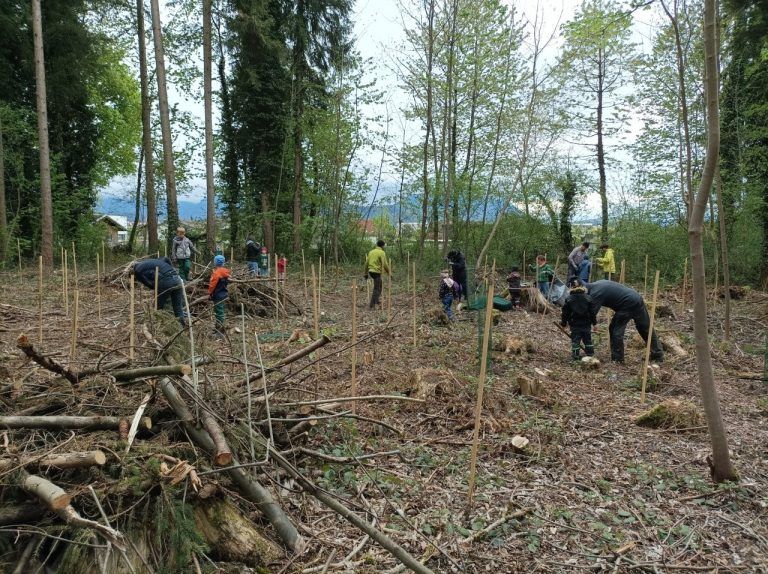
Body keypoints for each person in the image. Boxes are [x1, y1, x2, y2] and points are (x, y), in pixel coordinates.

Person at [585, 280, 664, 363]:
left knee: (615, 329)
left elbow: (591, 313)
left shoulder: (596, 293)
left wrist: (579, 325)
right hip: (636, 297)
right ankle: (658, 354)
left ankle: (618, 359)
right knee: (645, 327)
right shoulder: (597, 284)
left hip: (628, 303)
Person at [131, 257, 185, 325]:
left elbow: (138, 273)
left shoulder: (138, 268)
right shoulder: (153, 262)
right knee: (178, 308)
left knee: (158, 307)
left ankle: (158, 327)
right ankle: (182, 327)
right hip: (178, 279)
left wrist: (149, 285)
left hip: (167, 281)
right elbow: (166, 258)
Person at [561, 279, 598, 361]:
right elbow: (592, 313)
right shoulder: (588, 298)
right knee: (587, 340)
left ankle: (576, 359)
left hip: (575, 324)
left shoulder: (569, 299)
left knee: (575, 341)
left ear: (571, 287)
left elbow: (565, 313)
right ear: (582, 286)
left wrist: (563, 324)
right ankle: (591, 356)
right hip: (586, 323)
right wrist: (595, 324)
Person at [364, 239, 391, 310]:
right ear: (382, 246)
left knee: (380, 285)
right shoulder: (382, 252)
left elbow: (366, 263)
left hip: (370, 271)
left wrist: (365, 273)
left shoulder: (371, 252)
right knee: (377, 288)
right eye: (384, 246)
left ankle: (377, 300)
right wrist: (389, 273)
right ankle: (372, 304)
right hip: (376, 272)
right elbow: (385, 264)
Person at [208, 255, 230, 337]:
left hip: (218, 295)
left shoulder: (216, 273)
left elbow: (212, 285)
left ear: (215, 263)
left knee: (219, 312)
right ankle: (218, 327)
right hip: (224, 294)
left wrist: (209, 293)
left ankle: (220, 331)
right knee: (220, 311)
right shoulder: (226, 272)